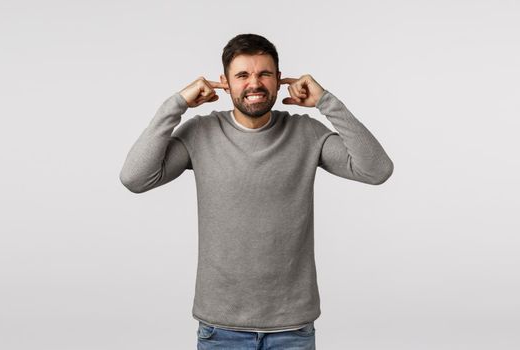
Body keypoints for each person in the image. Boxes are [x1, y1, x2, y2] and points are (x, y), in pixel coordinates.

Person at [119, 33, 394, 350]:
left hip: (292, 328)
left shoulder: (307, 133)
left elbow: (376, 170)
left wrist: (326, 102)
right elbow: (135, 178)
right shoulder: (200, 133)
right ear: (224, 82)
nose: (255, 83)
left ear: (278, 80)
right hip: (220, 328)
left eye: (264, 73)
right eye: (242, 75)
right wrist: (176, 104)